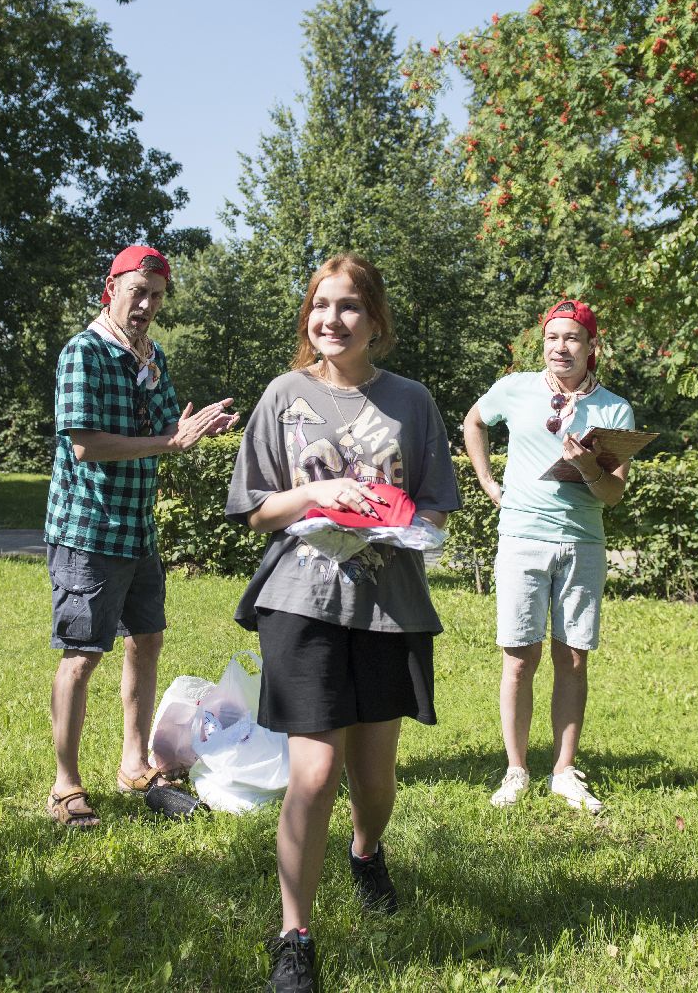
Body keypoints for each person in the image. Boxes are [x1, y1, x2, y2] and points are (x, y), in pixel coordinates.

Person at [226, 253, 461, 992]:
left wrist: (400, 525)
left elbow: (436, 507)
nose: (332, 319)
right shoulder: (283, 396)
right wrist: (319, 493)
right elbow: (255, 507)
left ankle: (365, 851)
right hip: (300, 598)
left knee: (374, 777)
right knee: (315, 769)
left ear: (376, 320)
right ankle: (294, 935)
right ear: (308, 316)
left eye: (349, 306)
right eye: (320, 306)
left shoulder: (412, 403)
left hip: (389, 605)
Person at [45, 245, 239, 829]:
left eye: (156, 295)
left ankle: (133, 763)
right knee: (81, 656)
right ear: (112, 287)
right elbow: (86, 443)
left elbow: (162, 431)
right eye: (138, 292)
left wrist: (195, 428)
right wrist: (168, 443)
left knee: (145, 641)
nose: (147, 305)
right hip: (88, 529)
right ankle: (65, 785)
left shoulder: (149, 356)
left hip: (137, 529)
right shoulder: (85, 352)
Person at [462, 299, 634, 813]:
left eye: (572, 338)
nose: (561, 347)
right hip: (522, 538)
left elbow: (613, 496)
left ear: (591, 347)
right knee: (519, 658)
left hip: (582, 542)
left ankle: (564, 771)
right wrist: (489, 482)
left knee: (572, 658)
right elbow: (474, 421)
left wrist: (587, 467)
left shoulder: (614, 409)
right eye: (552, 338)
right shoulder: (515, 389)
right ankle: (516, 771)